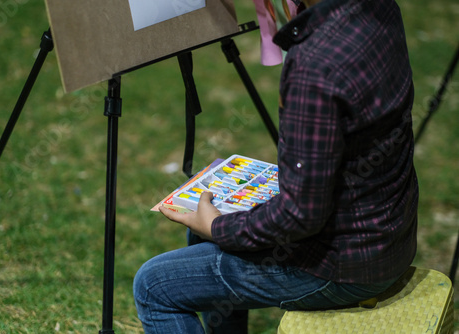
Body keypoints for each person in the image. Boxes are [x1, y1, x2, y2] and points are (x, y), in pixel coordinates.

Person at [133, 0, 418, 332]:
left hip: (341, 267)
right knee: (206, 218)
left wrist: (219, 229)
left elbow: (300, 215)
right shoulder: (380, 8)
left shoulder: (316, 64)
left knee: (153, 286)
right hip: (389, 239)